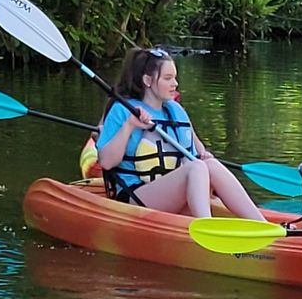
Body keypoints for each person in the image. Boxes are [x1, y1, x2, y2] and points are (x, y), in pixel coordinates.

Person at [92, 47, 266, 221]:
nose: (175, 83)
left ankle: (262, 224)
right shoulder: (123, 110)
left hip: (170, 196)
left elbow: (197, 152)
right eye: (168, 78)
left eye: (174, 77)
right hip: (134, 197)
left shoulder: (175, 110)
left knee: (209, 164)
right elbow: (106, 163)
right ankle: (206, 229)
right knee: (196, 167)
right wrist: (129, 125)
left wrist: (205, 156)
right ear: (147, 80)